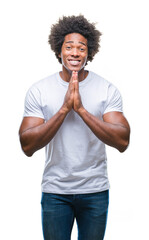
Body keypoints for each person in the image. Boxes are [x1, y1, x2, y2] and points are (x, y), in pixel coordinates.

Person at [19, 15, 130, 240]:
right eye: (69, 47)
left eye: (81, 48)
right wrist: (63, 110)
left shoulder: (106, 88)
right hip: (55, 191)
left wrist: (80, 110)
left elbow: (122, 141)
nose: (75, 53)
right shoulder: (39, 90)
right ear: (58, 50)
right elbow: (27, 145)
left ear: (89, 53)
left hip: (95, 190)